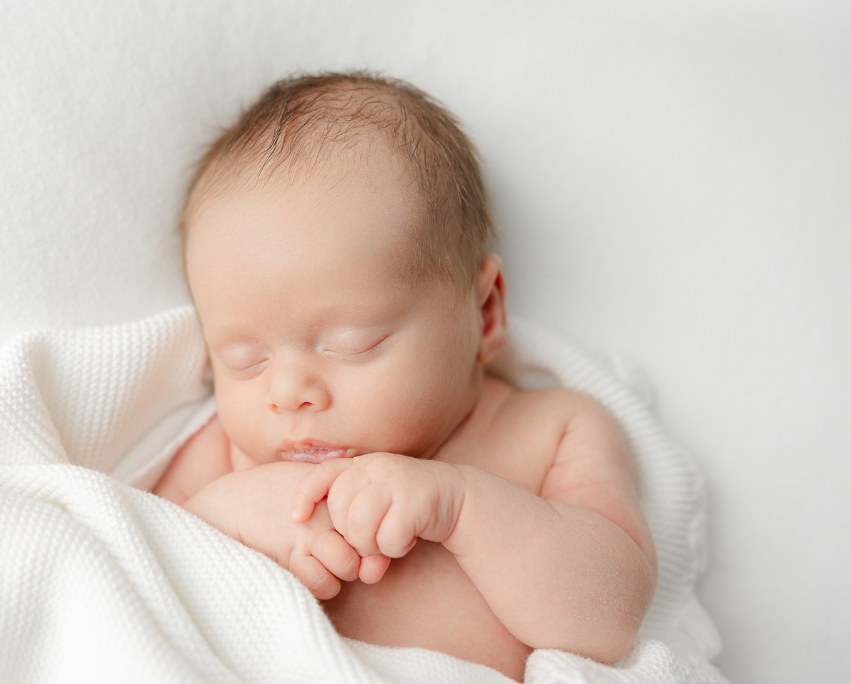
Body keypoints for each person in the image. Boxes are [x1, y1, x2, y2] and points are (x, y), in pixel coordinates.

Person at [153, 71, 656, 680]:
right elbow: (145, 564)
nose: (287, 393)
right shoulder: (231, 455)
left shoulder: (551, 432)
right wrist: (241, 515)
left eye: (352, 344)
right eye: (244, 360)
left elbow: (611, 616)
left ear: (485, 312)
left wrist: (464, 507)